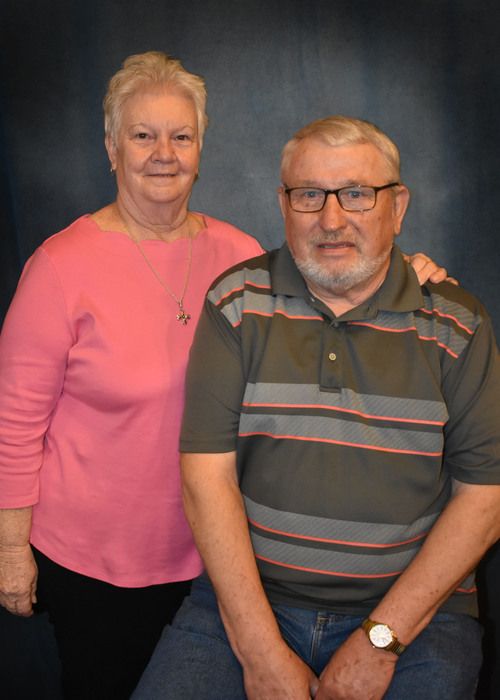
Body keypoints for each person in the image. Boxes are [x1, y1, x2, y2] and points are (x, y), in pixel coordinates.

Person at [132, 116, 500, 700]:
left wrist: (380, 641)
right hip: (249, 604)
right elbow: (206, 480)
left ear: (397, 207)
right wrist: (259, 649)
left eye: (356, 194)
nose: (331, 220)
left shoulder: (457, 324)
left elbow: (484, 499)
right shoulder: (236, 303)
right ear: (283, 205)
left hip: (416, 619)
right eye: (309, 196)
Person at [0, 51, 263, 699]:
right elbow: (13, 423)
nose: (164, 154)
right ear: (112, 148)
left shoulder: (242, 258)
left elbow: (318, 323)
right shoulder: (61, 265)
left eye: (181, 136)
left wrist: (407, 278)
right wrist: (9, 550)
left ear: (201, 149)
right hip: (92, 567)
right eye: (143, 135)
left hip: (217, 556)